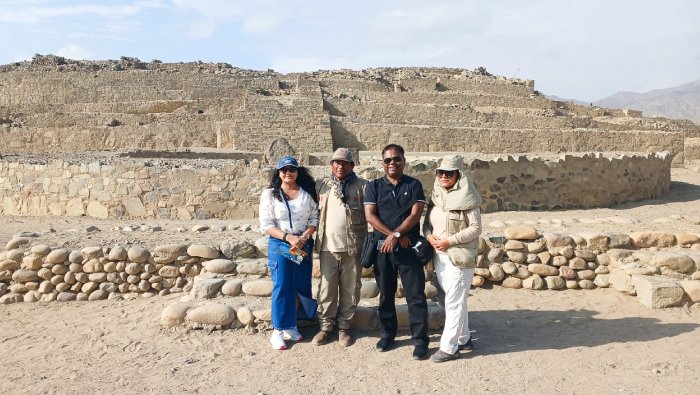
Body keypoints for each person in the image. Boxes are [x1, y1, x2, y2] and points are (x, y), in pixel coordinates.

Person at [364, 144, 429, 360]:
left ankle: (420, 340)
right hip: (384, 248)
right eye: (388, 160)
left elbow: (415, 215)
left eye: (396, 159)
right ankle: (388, 334)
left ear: (404, 160)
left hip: (407, 247)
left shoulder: (414, 184)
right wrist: (392, 236)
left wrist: (396, 236)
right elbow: (370, 216)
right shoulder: (374, 186)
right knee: (386, 294)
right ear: (382, 163)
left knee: (416, 296)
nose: (392, 163)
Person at [423, 154, 482, 363]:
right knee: (454, 298)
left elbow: (476, 228)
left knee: (454, 301)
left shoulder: (468, 197)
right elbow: (428, 223)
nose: (444, 176)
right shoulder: (436, 195)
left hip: (459, 257)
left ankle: (449, 347)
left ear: (458, 174)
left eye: (449, 173)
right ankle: (464, 338)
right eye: (441, 172)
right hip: (439, 256)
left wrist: (449, 241)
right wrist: (429, 236)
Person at [259, 156, 319, 350]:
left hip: (301, 245)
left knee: (300, 285)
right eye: (283, 170)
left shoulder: (306, 193)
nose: (288, 173)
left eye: (291, 169)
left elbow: (314, 217)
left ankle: (290, 326)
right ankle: (277, 330)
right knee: (282, 285)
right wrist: (288, 237)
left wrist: (305, 236)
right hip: (280, 244)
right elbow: (266, 224)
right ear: (278, 173)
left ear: (297, 172)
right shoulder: (270, 194)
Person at [312, 148, 368, 347]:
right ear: (331, 164)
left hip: (352, 248)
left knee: (350, 289)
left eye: (345, 163)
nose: (340, 166)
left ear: (352, 166)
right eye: (336, 162)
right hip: (327, 248)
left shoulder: (362, 187)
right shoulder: (322, 185)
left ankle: (344, 327)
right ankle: (326, 327)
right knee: (326, 289)